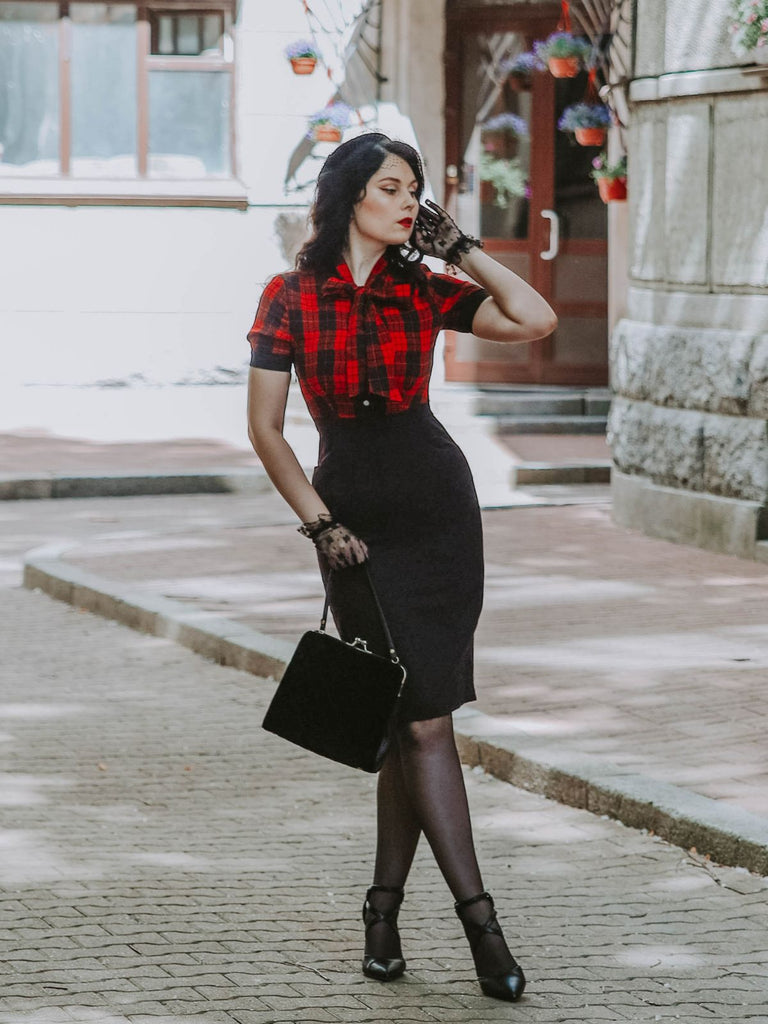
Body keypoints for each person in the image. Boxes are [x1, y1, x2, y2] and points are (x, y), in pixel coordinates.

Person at [246, 132, 557, 1003]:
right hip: (352, 521)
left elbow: (535, 319)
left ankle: (404, 915)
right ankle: (458, 925)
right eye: (391, 187)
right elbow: (267, 430)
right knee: (409, 719)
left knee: (419, 720)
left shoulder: (423, 286)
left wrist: (459, 246)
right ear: (349, 195)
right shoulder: (290, 296)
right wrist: (320, 524)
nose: (407, 202)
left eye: (416, 191)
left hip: (436, 510)